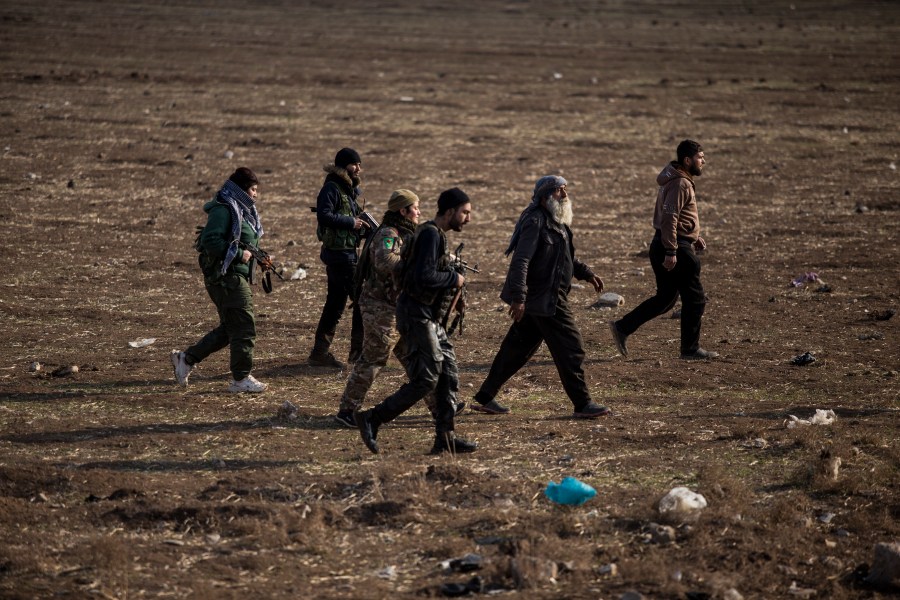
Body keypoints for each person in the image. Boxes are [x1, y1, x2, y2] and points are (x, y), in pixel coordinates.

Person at [470, 175, 610, 418]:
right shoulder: (535, 221)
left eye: (565, 190)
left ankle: (485, 397)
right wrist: (519, 297)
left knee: (515, 350)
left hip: (541, 300)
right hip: (545, 299)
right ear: (545, 197)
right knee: (571, 348)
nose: (564, 195)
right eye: (559, 191)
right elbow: (521, 261)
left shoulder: (556, 221)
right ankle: (582, 403)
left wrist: (586, 273)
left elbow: (564, 257)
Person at [356, 188, 477, 455]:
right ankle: (372, 418)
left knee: (447, 374)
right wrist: (453, 279)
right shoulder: (430, 235)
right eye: (465, 212)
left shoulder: (432, 234)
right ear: (449, 212)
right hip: (415, 315)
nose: (468, 218)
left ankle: (445, 437)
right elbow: (423, 277)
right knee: (427, 379)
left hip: (429, 316)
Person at [608, 139, 719, 360]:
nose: (703, 161)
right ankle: (690, 349)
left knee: (666, 298)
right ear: (687, 160)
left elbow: (675, 217)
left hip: (666, 243)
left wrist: (693, 236)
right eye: (700, 157)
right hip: (672, 247)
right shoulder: (680, 183)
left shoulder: (675, 179)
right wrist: (672, 251)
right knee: (695, 300)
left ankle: (622, 327)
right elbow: (670, 217)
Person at [170, 167, 268, 393]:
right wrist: (236, 256)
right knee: (243, 326)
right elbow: (210, 240)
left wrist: (259, 257)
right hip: (225, 279)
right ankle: (241, 379)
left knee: (230, 328)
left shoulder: (242, 210)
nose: (256, 194)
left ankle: (187, 359)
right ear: (242, 190)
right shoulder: (224, 210)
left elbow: (243, 243)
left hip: (235, 276)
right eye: (253, 189)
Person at [333, 189, 422, 426]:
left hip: (397, 309)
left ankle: (443, 405)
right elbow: (386, 261)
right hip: (381, 310)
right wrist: (416, 266)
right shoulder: (388, 234)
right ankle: (347, 411)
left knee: (418, 359)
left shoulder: (404, 234)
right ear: (403, 211)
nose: (419, 212)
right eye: (415, 207)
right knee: (373, 360)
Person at [308, 147, 366, 369]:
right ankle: (358, 355)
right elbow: (324, 215)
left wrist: (361, 224)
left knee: (335, 304)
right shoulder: (332, 188)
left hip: (344, 252)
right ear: (343, 165)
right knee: (361, 301)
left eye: (359, 165)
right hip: (340, 255)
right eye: (354, 164)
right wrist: (352, 223)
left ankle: (319, 353)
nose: (358, 168)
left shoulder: (346, 189)